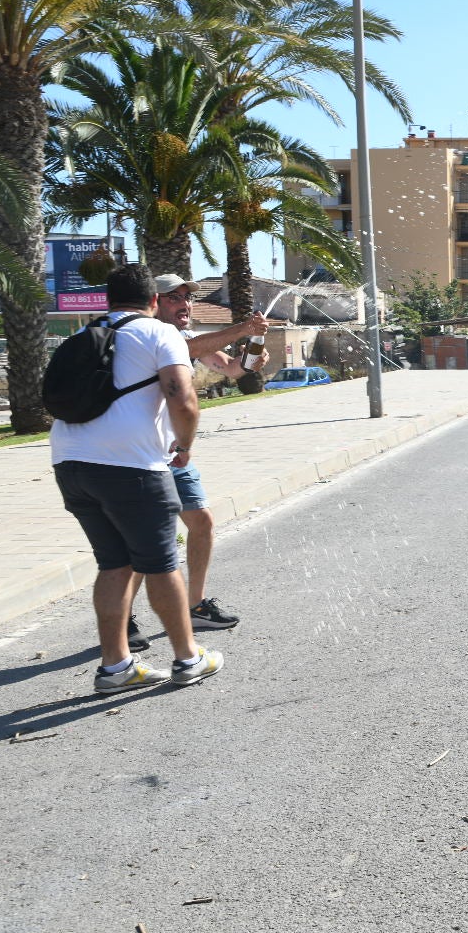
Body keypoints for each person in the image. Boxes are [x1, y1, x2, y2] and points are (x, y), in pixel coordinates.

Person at [50, 264, 224, 693]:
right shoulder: (158, 333)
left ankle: (117, 668)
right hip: (132, 467)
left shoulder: (82, 336)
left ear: (108, 300)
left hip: (69, 463)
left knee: (114, 563)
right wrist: (184, 446)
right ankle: (188, 658)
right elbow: (182, 397)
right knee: (161, 562)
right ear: (152, 301)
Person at [122, 275, 264, 651]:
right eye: (174, 298)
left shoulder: (186, 340)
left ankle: (195, 605)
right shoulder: (149, 334)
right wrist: (245, 327)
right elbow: (197, 346)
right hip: (144, 453)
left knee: (201, 522)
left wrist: (249, 362)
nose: (184, 303)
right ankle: (123, 618)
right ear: (154, 302)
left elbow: (230, 369)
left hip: (176, 453)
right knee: (144, 540)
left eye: (187, 297)